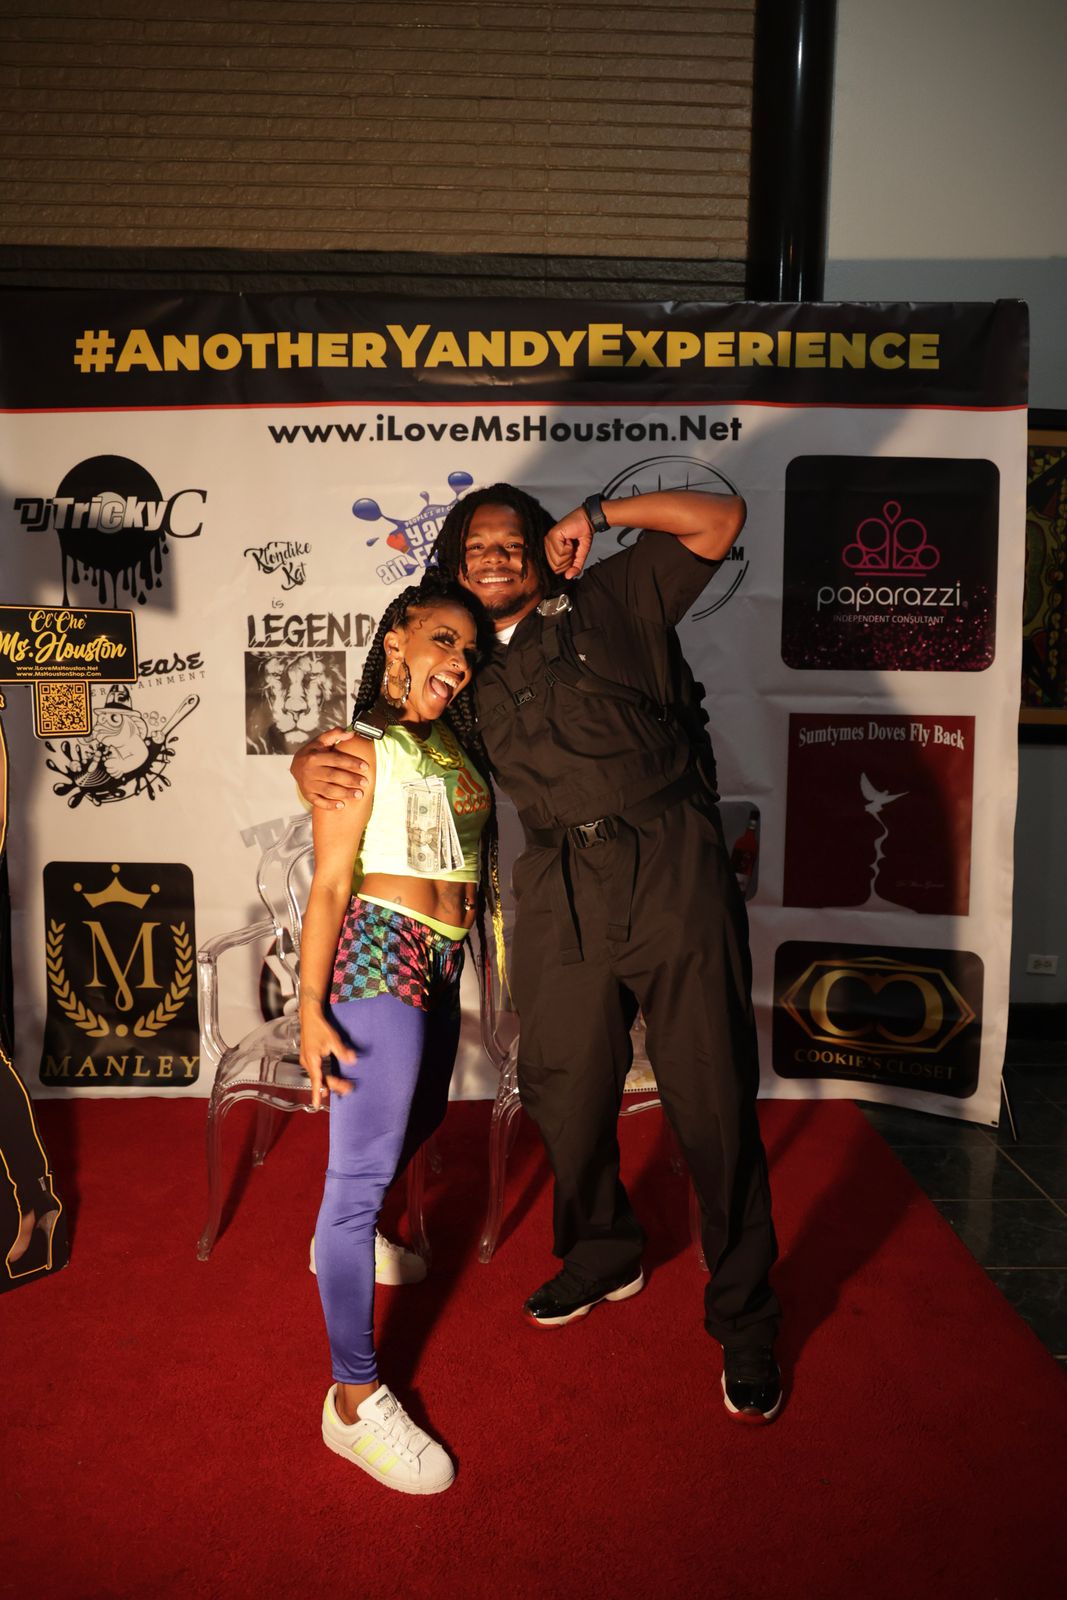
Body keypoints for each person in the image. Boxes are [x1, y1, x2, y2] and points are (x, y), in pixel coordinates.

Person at [294, 483, 783, 1424]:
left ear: (540, 547)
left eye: (511, 540)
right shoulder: (464, 670)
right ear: (453, 565)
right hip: (557, 876)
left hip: (670, 858)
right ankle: (603, 1251)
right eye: (475, 545)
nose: (494, 556)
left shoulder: (614, 594)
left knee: (711, 1092)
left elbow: (721, 519)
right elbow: (389, 739)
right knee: (560, 1080)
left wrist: (598, 517)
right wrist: (305, 763)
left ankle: (744, 1317)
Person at [298, 570, 496, 1493]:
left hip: (443, 956)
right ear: (395, 641)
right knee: (354, 1182)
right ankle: (351, 1400)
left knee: (420, 1122)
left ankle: (356, 1231)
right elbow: (331, 886)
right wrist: (310, 1007)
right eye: (441, 639)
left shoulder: (452, 743)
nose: (457, 660)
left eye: (469, 650)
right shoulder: (356, 746)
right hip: (380, 948)